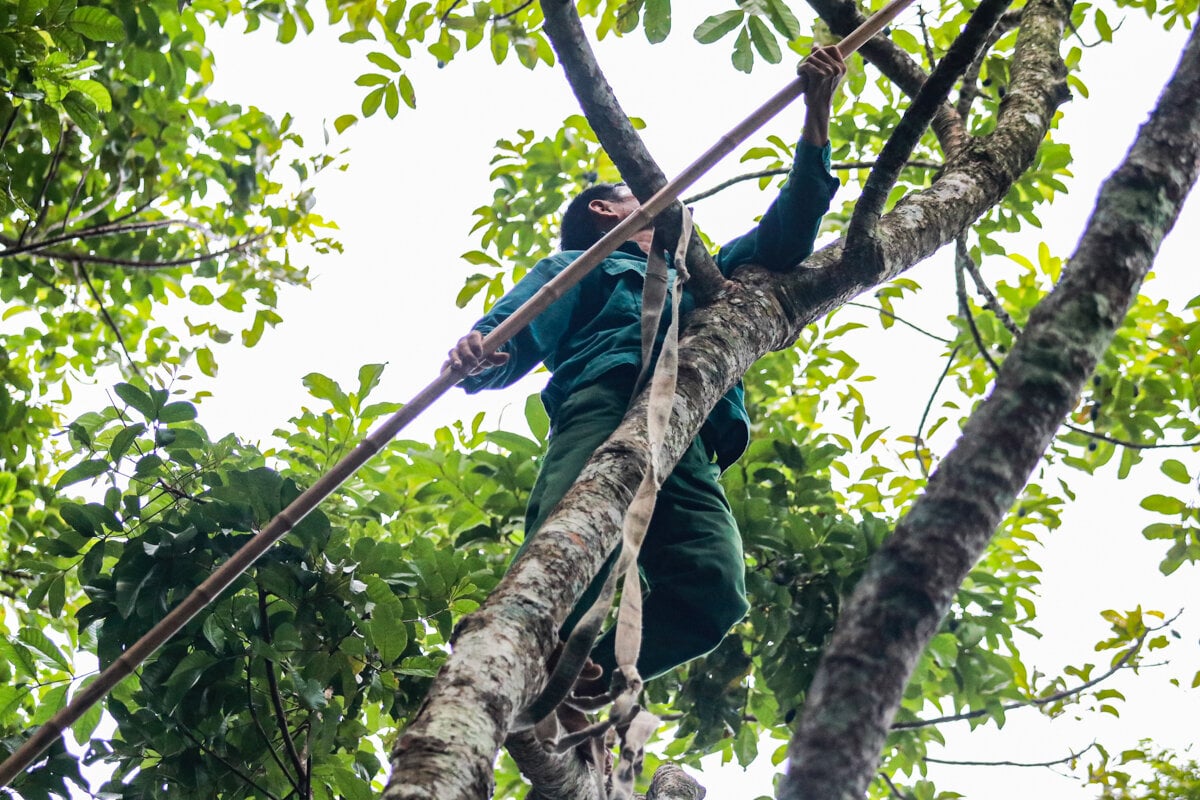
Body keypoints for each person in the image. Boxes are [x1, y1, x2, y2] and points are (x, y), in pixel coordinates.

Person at [445, 47, 846, 684]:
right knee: (569, 540)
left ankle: (588, 679)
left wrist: (816, 117)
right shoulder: (585, 264)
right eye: (635, 192)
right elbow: (517, 329)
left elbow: (787, 238)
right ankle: (526, 656)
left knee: (715, 587)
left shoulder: (702, 270)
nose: (658, 198)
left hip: (690, 426)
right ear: (605, 210)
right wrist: (484, 352)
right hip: (604, 400)